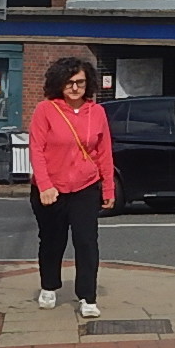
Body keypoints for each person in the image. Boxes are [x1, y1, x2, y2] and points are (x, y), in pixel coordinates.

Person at [28, 56, 115, 318]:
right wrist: (45, 186)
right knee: (52, 240)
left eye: (80, 82)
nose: (75, 87)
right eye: (69, 82)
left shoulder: (97, 112)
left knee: (86, 241)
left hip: (85, 186)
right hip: (51, 188)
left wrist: (108, 189)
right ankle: (49, 285)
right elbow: (36, 150)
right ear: (59, 83)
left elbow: (104, 153)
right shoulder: (45, 110)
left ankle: (88, 297)